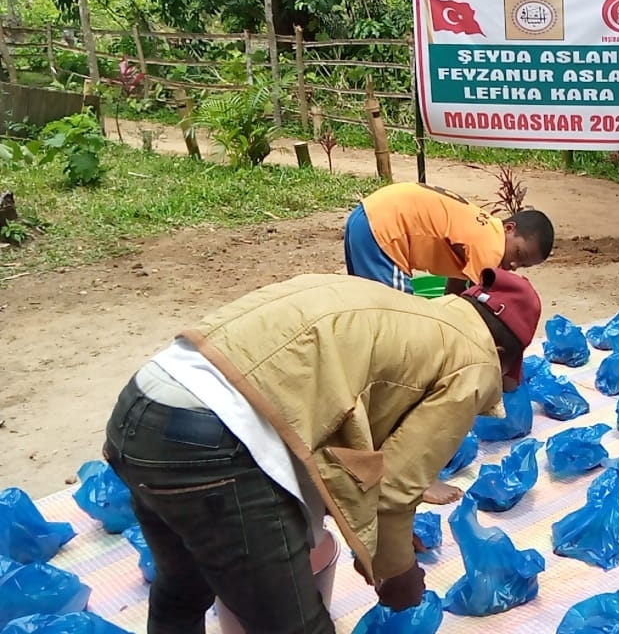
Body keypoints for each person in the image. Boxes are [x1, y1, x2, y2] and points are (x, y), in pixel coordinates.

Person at [103, 268, 541, 634]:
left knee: (183, 590)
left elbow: (348, 432)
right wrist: (397, 574)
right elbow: (394, 490)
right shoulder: (475, 361)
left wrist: (381, 533)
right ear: (501, 352)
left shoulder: (406, 313)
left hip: (142, 410)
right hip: (214, 440)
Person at [344, 181, 555, 293]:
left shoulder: (480, 232)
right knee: (398, 315)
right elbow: (483, 303)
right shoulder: (491, 246)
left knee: (367, 305)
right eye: (518, 253)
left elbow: (456, 289)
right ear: (509, 228)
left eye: (523, 265)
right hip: (385, 227)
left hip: (367, 215)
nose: (514, 265)